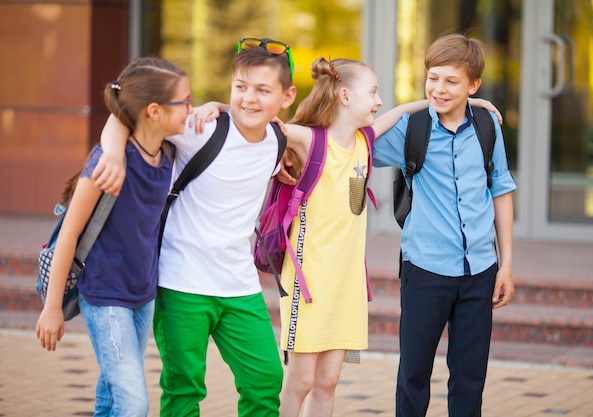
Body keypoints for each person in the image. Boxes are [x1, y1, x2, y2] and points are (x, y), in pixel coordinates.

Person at [192, 56, 501, 417]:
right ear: (343, 96)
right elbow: (257, 121)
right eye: (371, 92)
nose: (378, 100)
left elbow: (402, 109)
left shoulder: (364, 141)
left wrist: (471, 103)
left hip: (346, 286)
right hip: (308, 286)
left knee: (328, 381)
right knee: (301, 381)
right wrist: (217, 107)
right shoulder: (309, 140)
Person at [95, 39, 297, 417]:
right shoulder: (201, 128)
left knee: (265, 379)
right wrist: (111, 153)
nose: (249, 99)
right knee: (184, 388)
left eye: (263, 91)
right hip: (182, 281)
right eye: (240, 88)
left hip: (239, 284)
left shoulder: (278, 138)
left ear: (287, 97)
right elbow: (128, 112)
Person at [35, 57, 189, 416]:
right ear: (154, 111)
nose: (190, 109)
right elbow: (69, 235)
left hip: (142, 293)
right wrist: (52, 307)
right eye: (184, 101)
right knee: (134, 403)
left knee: (112, 392)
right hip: (104, 295)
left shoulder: (167, 153)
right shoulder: (106, 165)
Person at [373, 33, 517, 417]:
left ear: (473, 85)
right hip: (425, 269)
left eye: (452, 81)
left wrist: (506, 266)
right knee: (414, 374)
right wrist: (409, 106)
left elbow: (501, 190)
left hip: (479, 270)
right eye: (432, 78)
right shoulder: (411, 129)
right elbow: (356, 138)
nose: (439, 89)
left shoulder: (488, 126)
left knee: (470, 377)